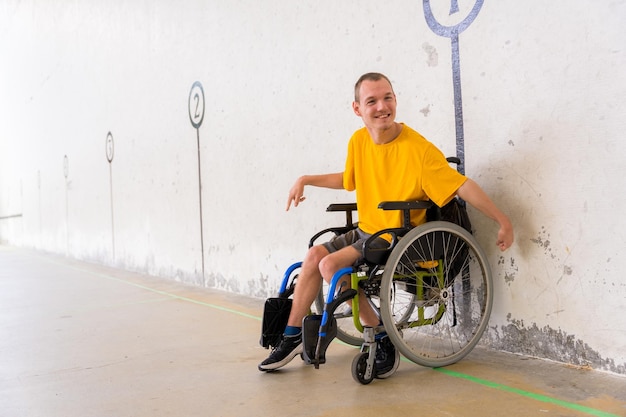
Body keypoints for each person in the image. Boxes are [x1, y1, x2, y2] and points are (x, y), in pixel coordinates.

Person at [258, 72, 514, 374]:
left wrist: (502, 220)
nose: (382, 107)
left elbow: (461, 186)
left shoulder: (417, 149)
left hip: (397, 234)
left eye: (387, 98)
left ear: (395, 100)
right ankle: (292, 335)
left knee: (330, 266)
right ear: (358, 109)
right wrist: (306, 180)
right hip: (367, 229)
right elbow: (348, 179)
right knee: (314, 256)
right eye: (372, 101)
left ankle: (381, 334)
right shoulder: (358, 141)